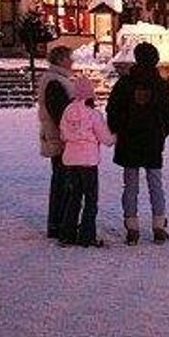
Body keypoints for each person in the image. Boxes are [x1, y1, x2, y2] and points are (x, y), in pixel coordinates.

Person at [106, 42, 169, 245]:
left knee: (130, 184)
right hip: (152, 140)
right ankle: (158, 224)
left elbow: (113, 110)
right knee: (155, 183)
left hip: (129, 141)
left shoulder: (124, 84)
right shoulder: (161, 85)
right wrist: (162, 132)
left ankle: (132, 225)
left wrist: (120, 129)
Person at [35, 46, 86, 242]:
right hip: (62, 140)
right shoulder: (55, 82)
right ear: (61, 60)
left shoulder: (58, 79)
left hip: (61, 138)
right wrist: (72, 135)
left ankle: (59, 222)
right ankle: (59, 224)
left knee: (63, 181)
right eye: (69, 58)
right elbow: (60, 115)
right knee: (63, 182)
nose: (72, 61)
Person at [58, 83, 114, 247]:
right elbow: (105, 138)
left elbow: (63, 134)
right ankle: (87, 235)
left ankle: (67, 234)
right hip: (88, 162)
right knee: (90, 199)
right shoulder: (93, 114)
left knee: (73, 197)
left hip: (70, 160)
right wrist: (115, 138)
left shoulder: (67, 112)